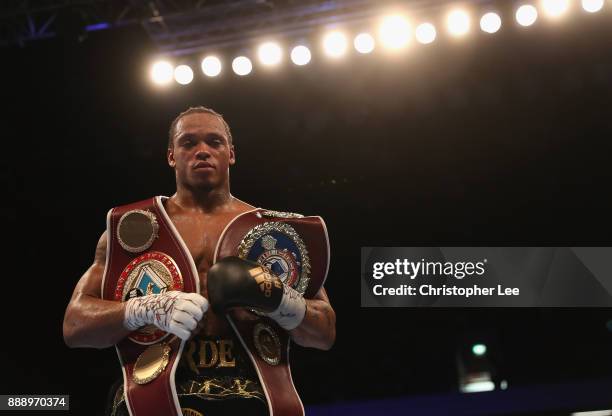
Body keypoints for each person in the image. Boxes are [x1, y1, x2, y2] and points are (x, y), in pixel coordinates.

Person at [62, 106, 336, 416]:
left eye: (214, 142)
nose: (202, 151)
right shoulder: (130, 230)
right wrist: (144, 308)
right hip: (151, 397)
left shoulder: (273, 232)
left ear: (230, 154)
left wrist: (280, 297)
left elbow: (324, 332)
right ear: (171, 156)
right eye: (189, 143)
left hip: (252, 396)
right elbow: (75, 326)